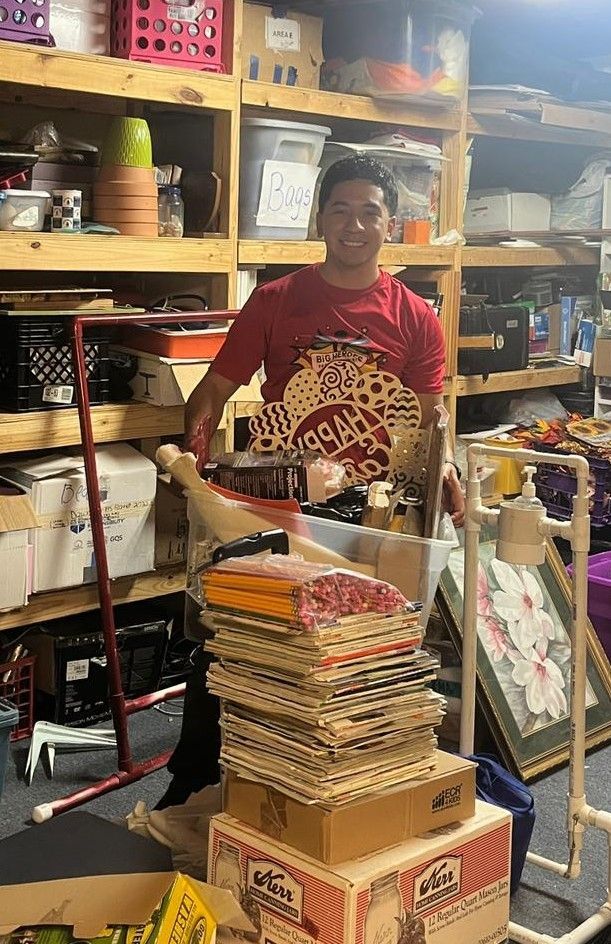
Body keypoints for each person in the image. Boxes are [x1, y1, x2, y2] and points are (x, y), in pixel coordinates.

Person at [156, 155, 464, 809]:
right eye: (340, 209)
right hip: (274, 497)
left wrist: (447, 469)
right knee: (235, 636)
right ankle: (196, 779)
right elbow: (211, 392)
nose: (353, 225)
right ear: (320, 217)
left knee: (353, 652)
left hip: (367, 511)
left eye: (369, 212)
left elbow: (425, 421)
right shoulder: (274, 301)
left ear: (391, 224)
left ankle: (333, 790)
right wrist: (194, 464)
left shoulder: (416, 318)